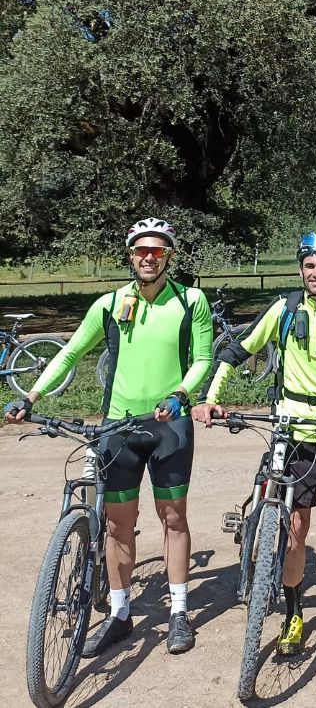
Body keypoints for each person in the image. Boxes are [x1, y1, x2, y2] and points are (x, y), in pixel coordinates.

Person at [5, 217, 213, 656]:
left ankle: (178, 612)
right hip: (117, 427)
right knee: (118, 527)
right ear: (130, 255)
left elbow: (202, 359)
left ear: (169, 255)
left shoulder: (191, 300)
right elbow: (71, 351)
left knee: (173, 518)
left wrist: (180, 393)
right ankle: (120, 613)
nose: (149, 257)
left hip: (168, 425)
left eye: (157, 250)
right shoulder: (109, 303)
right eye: (141, 250)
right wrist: (32, 396)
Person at [192, 231, 316, 656]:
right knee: (297, 527)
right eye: (309, 265)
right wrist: (211, 399)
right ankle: (294, 611)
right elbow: (235, 352)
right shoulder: (282, 309)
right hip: (295, 432)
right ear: (300, 269)